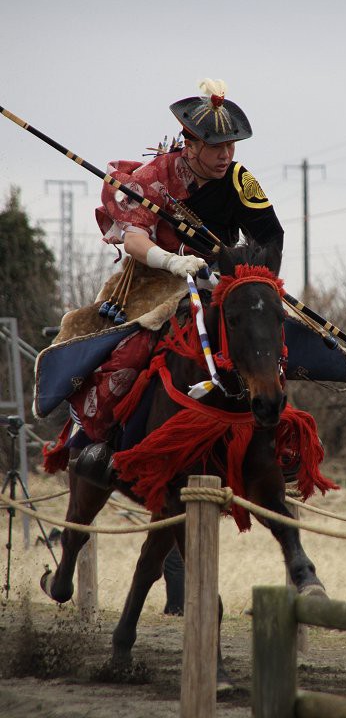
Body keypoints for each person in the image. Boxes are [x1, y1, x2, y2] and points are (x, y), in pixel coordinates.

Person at [71, 78, 284, 486]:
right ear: (191, 145)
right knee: (129, 354)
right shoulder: (151, 180)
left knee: (274, 338)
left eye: (231, 146)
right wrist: (170, 260)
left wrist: (257, 280)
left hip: (223, 283)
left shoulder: (239, 180)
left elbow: (270, 237)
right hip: (153, 281)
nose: (226, 156)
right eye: (216, 147)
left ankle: (277, 445)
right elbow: (133, 238)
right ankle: (104, 443)